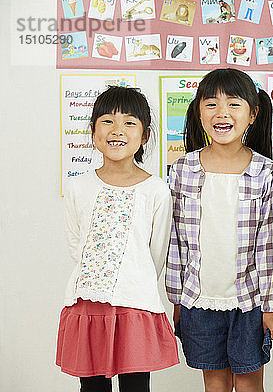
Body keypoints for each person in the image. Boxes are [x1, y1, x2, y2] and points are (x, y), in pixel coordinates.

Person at [167, 68, 273, 392]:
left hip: (249, 303)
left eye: (234, 104)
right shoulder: (182, 170)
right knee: (215, 384)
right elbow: (175, 240)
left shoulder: (268, 173)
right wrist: (177, 298)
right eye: (211, 104)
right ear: (198, 112)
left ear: (253, 114)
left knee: (249, 385)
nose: (222, 113)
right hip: (198, 299)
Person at [56, 86, 179, 392]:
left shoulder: (156, 190)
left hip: (135, 303)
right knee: (93, 387)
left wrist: (128, 279)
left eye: (129, 122)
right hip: (88, 302)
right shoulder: (77, 187)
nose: (117, 131)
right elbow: (77, 245)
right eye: (108, 121)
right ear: (94, 132)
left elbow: (156, 253)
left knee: (136, 386)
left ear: (145, 136)